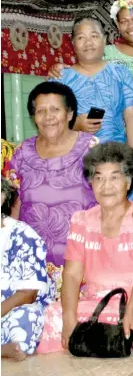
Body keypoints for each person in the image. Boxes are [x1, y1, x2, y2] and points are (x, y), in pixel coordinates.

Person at [35, 142, 133, 353]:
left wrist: (131, 310)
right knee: (54, 314)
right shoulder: (82, 221)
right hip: (96, 299)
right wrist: (69, 318)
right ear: (91, 183)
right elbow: (73, 274)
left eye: (114, 177)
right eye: (99, 178)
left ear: (128, 181)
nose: (106, 186)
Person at [6, 82, 98, 270]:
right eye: (40, 111)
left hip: (84, 258)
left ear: (70, 114)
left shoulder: (92, 148)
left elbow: (111, 201)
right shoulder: (22, 152)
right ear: (34, 117)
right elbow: (13, 203)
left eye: (55, 109)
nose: (48, 117)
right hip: (31, 261)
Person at [52, 16, 133, 150]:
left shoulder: (121, 74)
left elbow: (131, 117)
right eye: (81, 37)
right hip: (74, 159)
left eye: (94, 36)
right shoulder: (60, 78)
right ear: (73, 43)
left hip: (116, 155)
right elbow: (51, 121)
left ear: (104, 40)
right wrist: (75, 123)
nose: (88, 43)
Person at [47, 0, 133, 78]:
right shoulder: (105, 52)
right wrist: (58, 70)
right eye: (124, 21)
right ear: (118, 26)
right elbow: (83, 70)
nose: (131, 26)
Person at [1, 178, 51, 361]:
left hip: (11, 308)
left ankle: (8, 347)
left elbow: (27, 294)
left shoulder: (22, 235)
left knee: (27, 317)